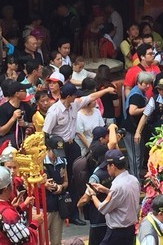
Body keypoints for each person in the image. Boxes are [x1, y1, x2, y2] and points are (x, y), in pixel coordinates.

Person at [43, 82, 118, 224]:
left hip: (72, 146)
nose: (76, 99)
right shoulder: (54, 112)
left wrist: (107, 89)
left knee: (77, 177)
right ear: (69, 96)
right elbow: (46, 134)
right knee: (64, 178)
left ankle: (77, 211)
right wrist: (49, 153)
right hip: (59, 147)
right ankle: (68, 212)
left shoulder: (74, 105)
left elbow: (90, 97)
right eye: (74, 96)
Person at [85, 149, 140, 245]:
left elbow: (102, 207)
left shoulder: (117, 186)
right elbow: (122, 197)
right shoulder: (133, 180)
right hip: (130, 230)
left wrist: (92, 194)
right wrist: (106, 190)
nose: (107, 168)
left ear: (113, 166)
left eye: (107, 165)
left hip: (117, 233)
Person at [0, 164, 44, 245]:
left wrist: (21, 206)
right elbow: (25, 240)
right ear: (6, 188)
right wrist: (35, 223)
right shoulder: (9, 215)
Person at [44, 135, 69, 245]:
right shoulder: (40, 162)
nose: (55, 157)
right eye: (54, 153)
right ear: (48, 149)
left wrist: (61, 187)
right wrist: (44, 184)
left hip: (58, 206)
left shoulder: (62, 161)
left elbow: (66, 182)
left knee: (56, 241)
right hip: (44, 207)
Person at [0, 80, 33, 148]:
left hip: (24, 143)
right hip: (9, 145)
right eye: (24, 91)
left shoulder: (26, 106)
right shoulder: (3, 109)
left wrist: (25, 124)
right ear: (17, 93)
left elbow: (32, 124)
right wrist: (13, 118)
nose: (26, 93)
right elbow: (1, 132)